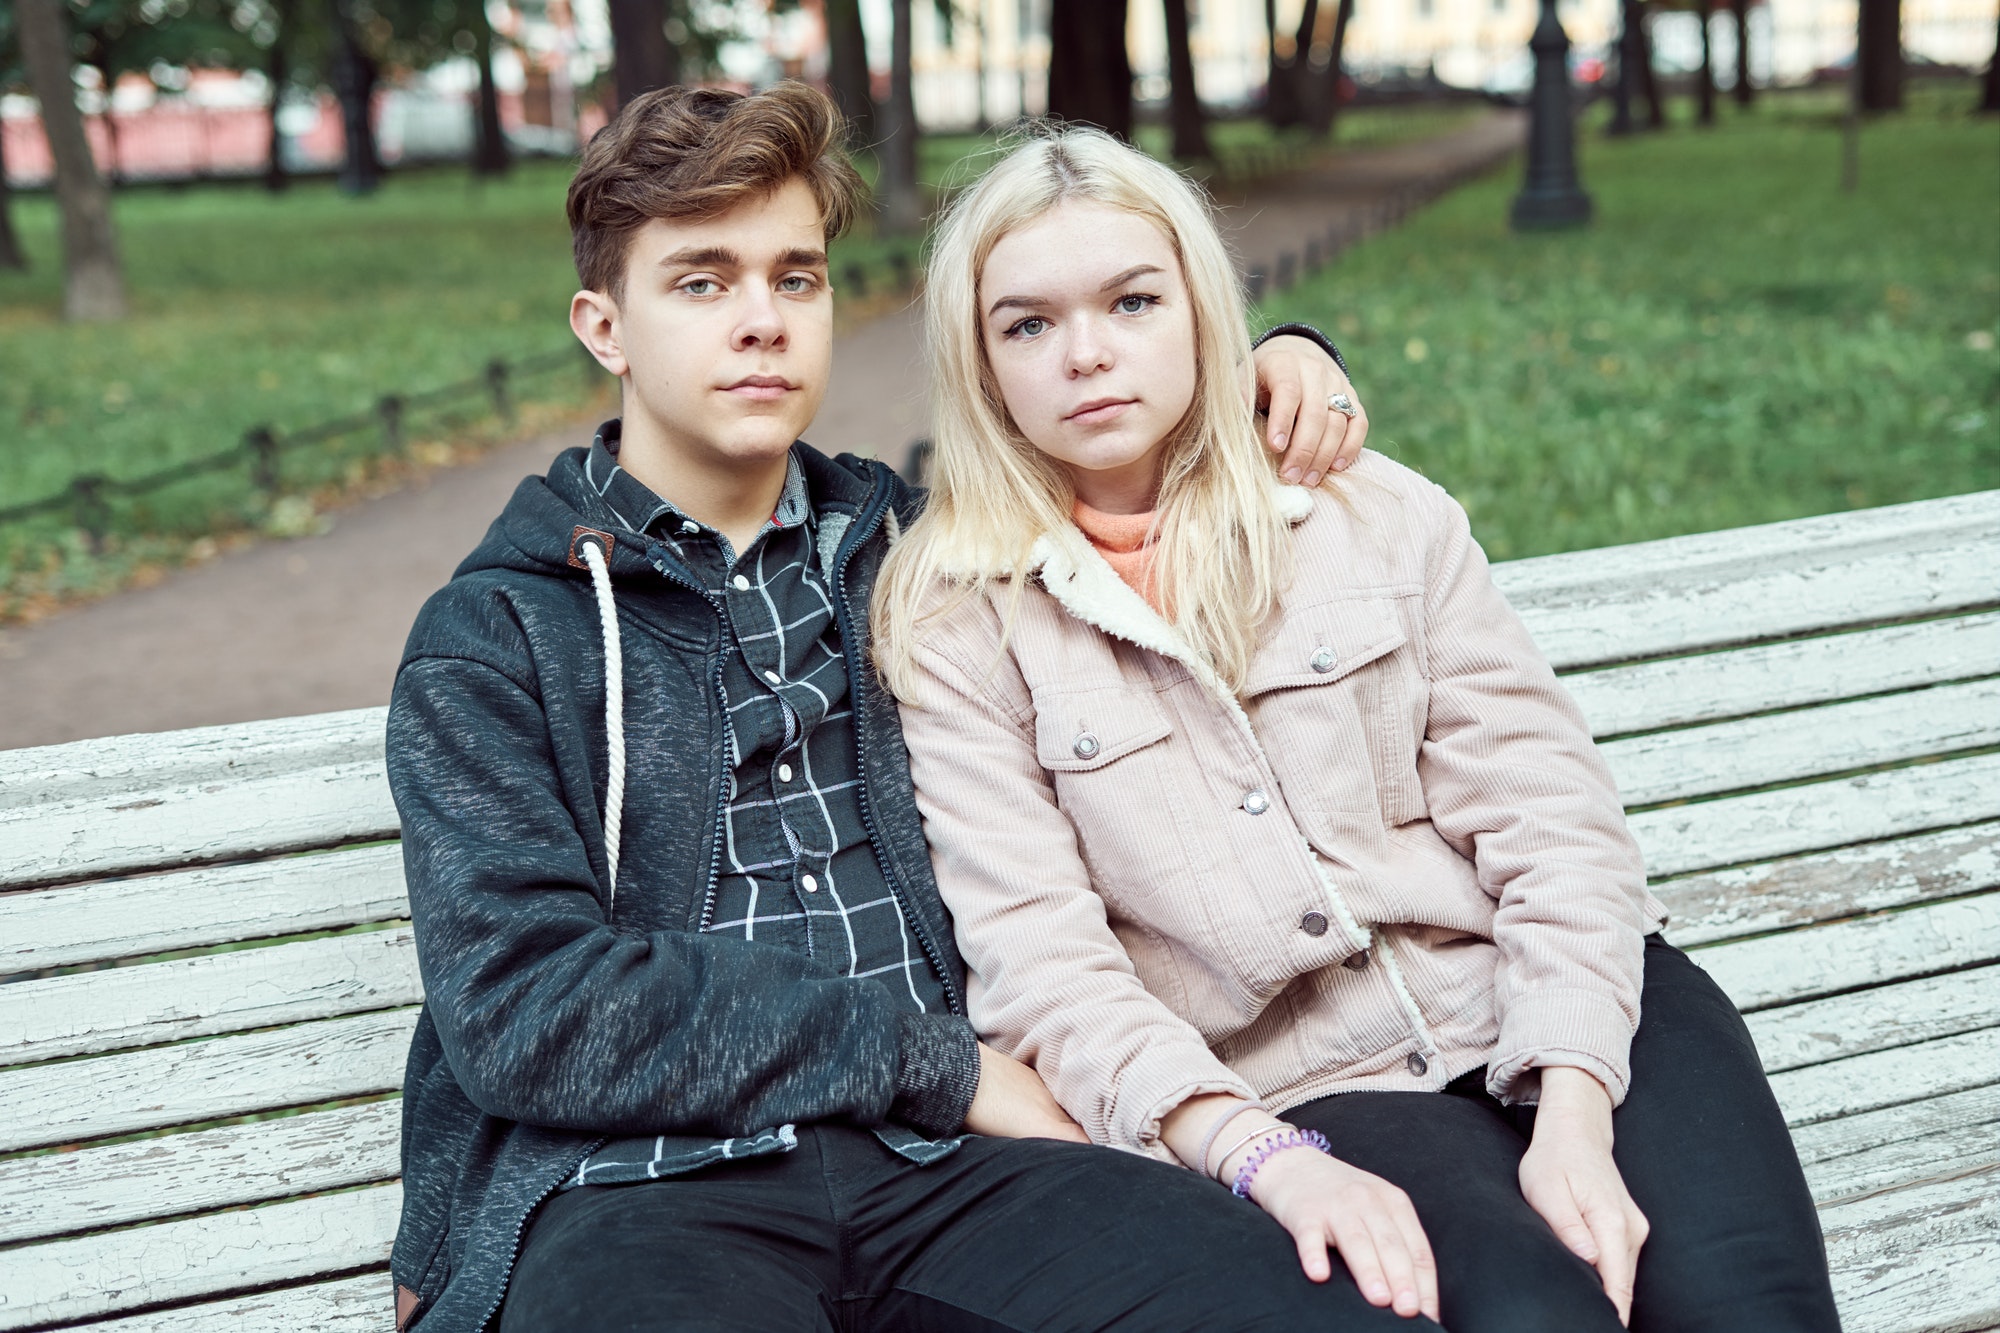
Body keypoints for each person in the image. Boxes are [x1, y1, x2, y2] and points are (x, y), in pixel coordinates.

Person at [385, 82, 1395, 1333]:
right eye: (701, 283)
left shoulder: (925, 558)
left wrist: (1273, 363)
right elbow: (525, 1009)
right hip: (639, 1188)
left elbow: (1125, 453)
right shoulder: (501, 635)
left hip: (951, 1171)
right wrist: (939, 1062)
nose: (760, 321)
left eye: (793, 278)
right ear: (605, 325)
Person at [873, 124, 1845, 1333]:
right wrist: (1248, 1148)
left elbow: (1551, 820)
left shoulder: (1366, 512)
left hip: (1560, 989)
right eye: (1026, 324)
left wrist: (1575, 1110)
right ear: (979, 362)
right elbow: (1043, 972)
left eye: (1131, 301)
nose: (1085, 355)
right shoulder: (959, 627)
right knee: (1537, 1321)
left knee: (1739, 1312)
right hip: (1314, 1080)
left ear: (1199, 310)